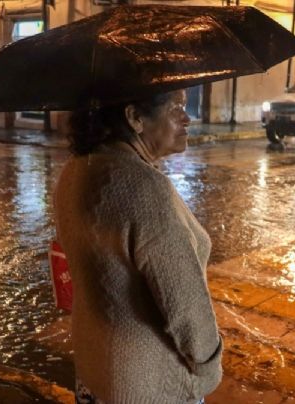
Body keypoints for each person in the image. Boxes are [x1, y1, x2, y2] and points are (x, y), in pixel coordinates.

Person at [54, 90, 222, 403]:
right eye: (176, 108)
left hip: (95, 372)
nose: (187, 118)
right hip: (148, 384)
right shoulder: (143, 187)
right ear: (135, 118)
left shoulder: (77, 170)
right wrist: (208, 366)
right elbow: (184, 303)